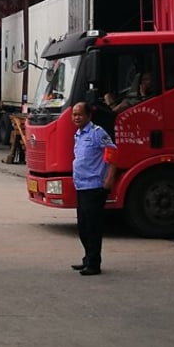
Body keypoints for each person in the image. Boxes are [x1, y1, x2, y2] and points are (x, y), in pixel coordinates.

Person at [71, 102, 117, 276]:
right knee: (83, 226)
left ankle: (94, 263)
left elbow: (112, 152)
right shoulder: (78, 135)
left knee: (93, 227)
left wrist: (109, 178)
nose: (76, 118)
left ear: (89, 116)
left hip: (94, 186)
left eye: (79, 114)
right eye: (74, 115)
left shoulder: (97, 133)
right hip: (81, 186)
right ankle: (87, 259)